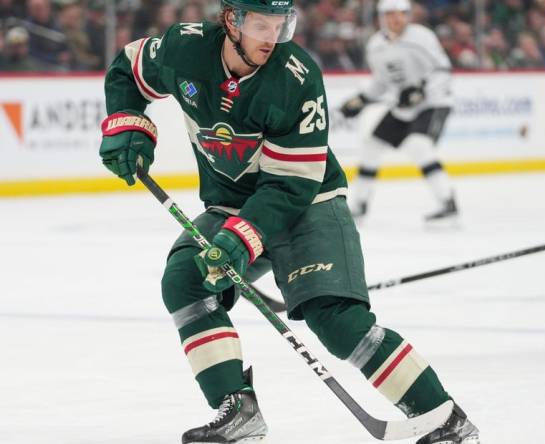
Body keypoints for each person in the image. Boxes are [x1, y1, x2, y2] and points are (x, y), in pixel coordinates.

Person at [98, 1, 480, 443]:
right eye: (262, 25)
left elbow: (291, 184)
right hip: (233, 204)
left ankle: (444, 419)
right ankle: (238, 409)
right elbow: (128, 68)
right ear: (231, 21)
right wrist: (128, 123)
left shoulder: (295, 76)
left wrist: (243, 238)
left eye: (280, 25)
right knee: (185, 280)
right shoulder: (185, 48)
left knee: (336, 320)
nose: (272, 38)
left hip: (307, 201)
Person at [339, 0, 459, 224]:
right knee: (371, 146)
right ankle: (360, 206)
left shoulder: (422, 37)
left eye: (402, 13)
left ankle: (448, 204)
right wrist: (363, 99)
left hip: (435, 102)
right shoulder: (375, 46)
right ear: (382, 17)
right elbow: (381, 83)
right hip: (403, 106)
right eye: (391, 14)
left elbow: (442, 70)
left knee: (418, 145)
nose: (397, 18)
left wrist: (422, 91)